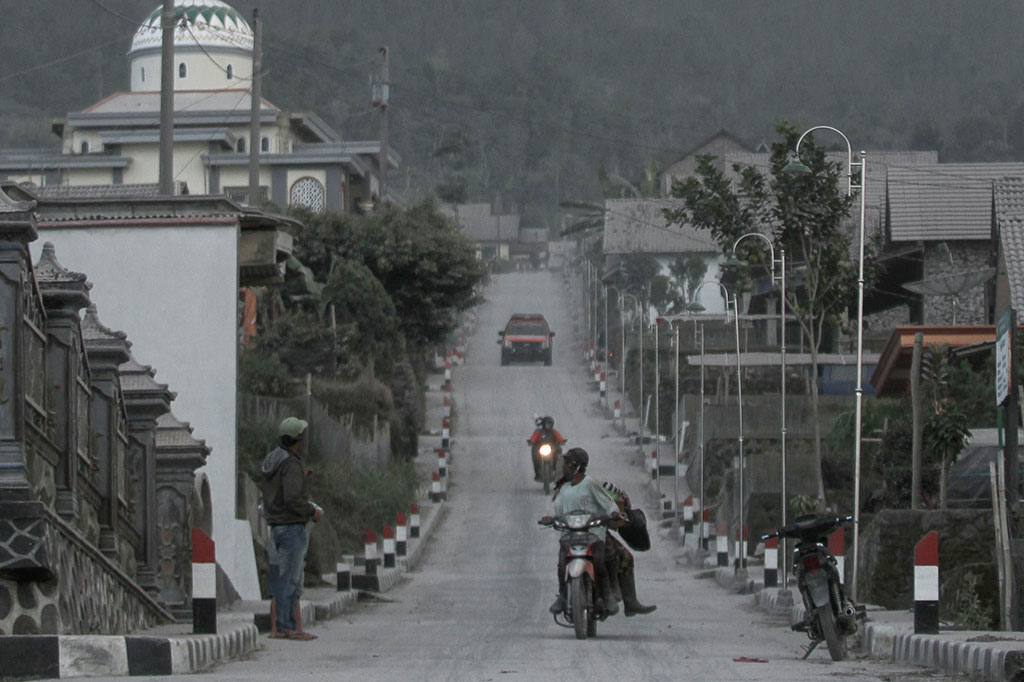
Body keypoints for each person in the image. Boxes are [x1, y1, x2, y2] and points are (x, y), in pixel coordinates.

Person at [538, 447, 620, 616]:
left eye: (566, 463)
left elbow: (608, 503)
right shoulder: (564, 489)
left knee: (599, 561)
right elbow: (556, 508)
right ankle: (562, 595)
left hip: (593, 534)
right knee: (562, 563)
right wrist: (550, 517)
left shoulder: (590, 483)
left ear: (575, 466)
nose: (563, 467)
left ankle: (607, 596)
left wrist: (613, 513)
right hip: (570, 535)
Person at [261, 417, 322, 641]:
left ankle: (280, 628)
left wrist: (301, 478)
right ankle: (288, 628)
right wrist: (311, 512)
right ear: (297, 440)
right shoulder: (291, 464)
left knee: (280, 578)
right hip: (291, 527)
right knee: (291, 580)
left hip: (275, 526)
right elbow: (292, 498)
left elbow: (279, 489)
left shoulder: (272, 460)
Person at [600, 482, 657, 617]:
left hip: (598, 533)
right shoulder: (573, 489)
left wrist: (622, 513)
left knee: (625, 556)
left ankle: (630, 601)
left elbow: (618, 519)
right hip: (579, 534)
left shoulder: (606, 490)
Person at [527, 415, 567, 481]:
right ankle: (538, 473)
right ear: (544, 424)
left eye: (550, 424)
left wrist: (562, 441)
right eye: (547, 424)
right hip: (540, 448)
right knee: (535, 456)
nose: (548, 426)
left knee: (558, 454)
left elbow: (559, 438)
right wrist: (531, 441)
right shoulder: (538, 431)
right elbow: (533, 438)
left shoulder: (554, 432)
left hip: (552, 449)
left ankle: (557, 471)